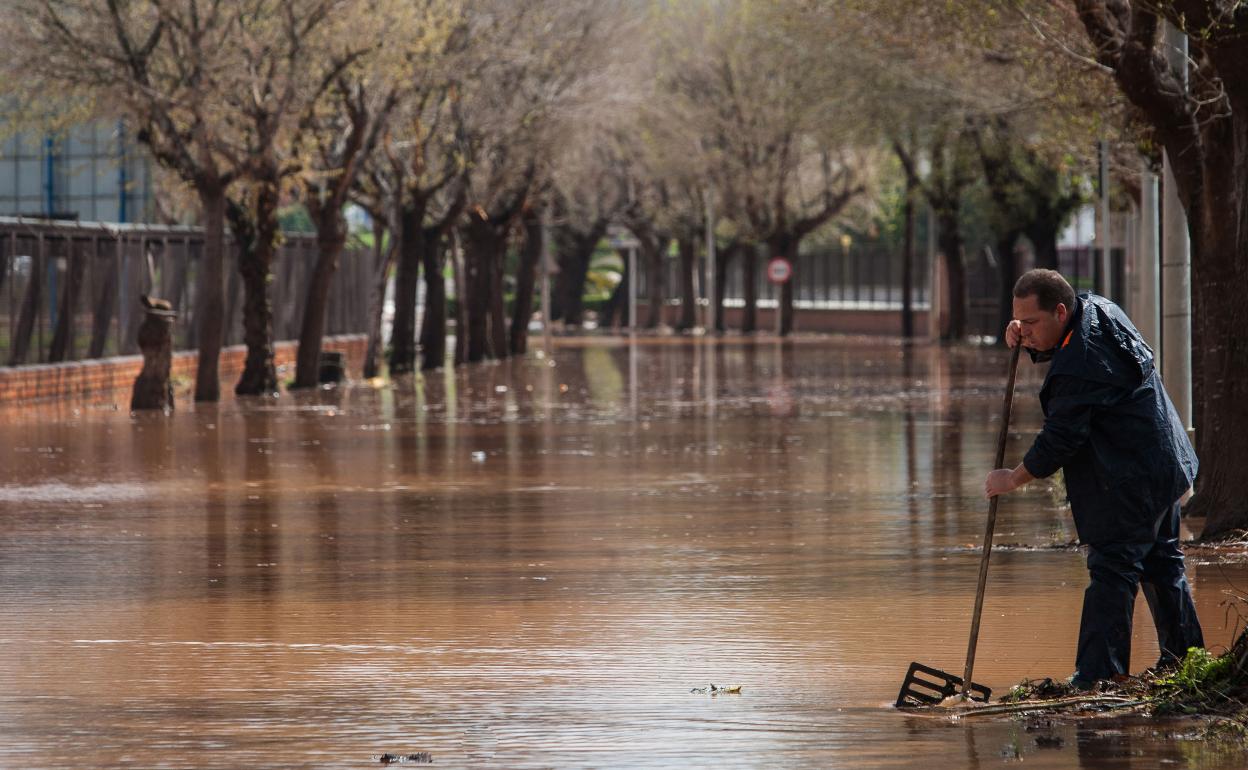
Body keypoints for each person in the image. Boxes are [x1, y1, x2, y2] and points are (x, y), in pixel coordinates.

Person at [984, 269, 1203, 688]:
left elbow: (1059, 442)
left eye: (1031, 323)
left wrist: (1009, 479)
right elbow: (1061, 344)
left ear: (1060, 311)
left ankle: (1098, 678)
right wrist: (1026, 336)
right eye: (1019, 322)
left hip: (1131, 480)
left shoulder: (1080, 367)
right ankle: (1185, 661)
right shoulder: (1100, 308)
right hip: (1165, 462)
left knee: (1112, 571)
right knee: (1161, 563)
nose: (1023, 330)